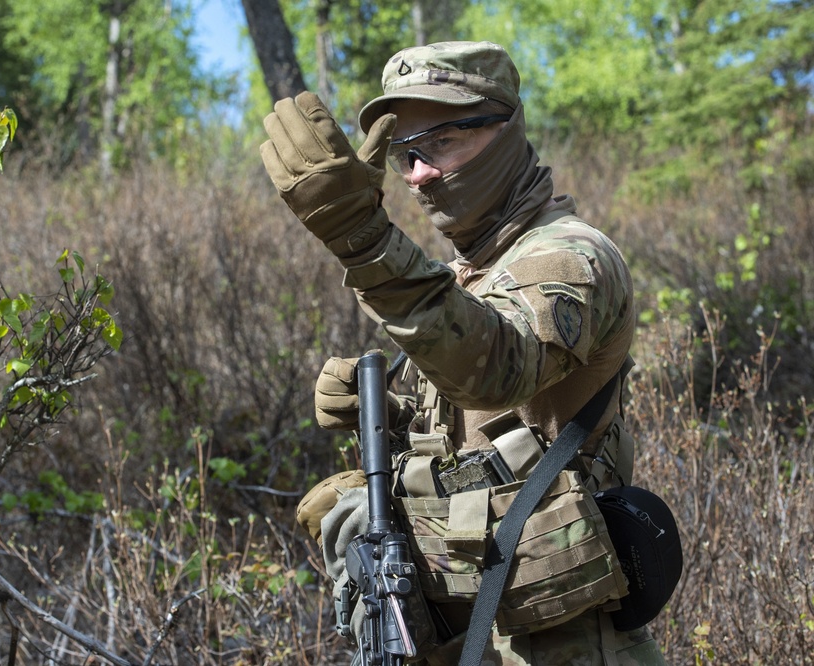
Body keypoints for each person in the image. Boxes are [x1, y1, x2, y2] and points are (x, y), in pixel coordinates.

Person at [261, 41, 668, 665]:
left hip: (562, 646)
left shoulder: (570, 255)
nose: (419, 174)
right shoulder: (465, 276)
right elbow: (485, 437)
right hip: (464, 635)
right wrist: (391, 422)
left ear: (504, 129)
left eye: (442, 141)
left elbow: (500, 366)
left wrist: (363, 238)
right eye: (406, 154)